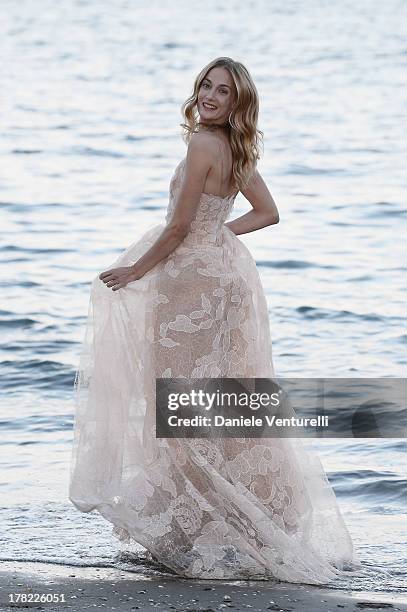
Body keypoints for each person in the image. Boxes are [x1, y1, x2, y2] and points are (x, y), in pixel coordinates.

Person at [69, 57, 361, 584]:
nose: (209, 94)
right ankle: (239, 518)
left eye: (222, 90)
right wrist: (218, 240)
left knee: (177, 402)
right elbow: (265, 212)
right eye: (206, 84)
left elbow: (180, 226)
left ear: (236, 102)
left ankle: (195, 528)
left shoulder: (203, 145)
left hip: (186, 286)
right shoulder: (236, 147)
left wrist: (136, 268)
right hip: (221, 281)